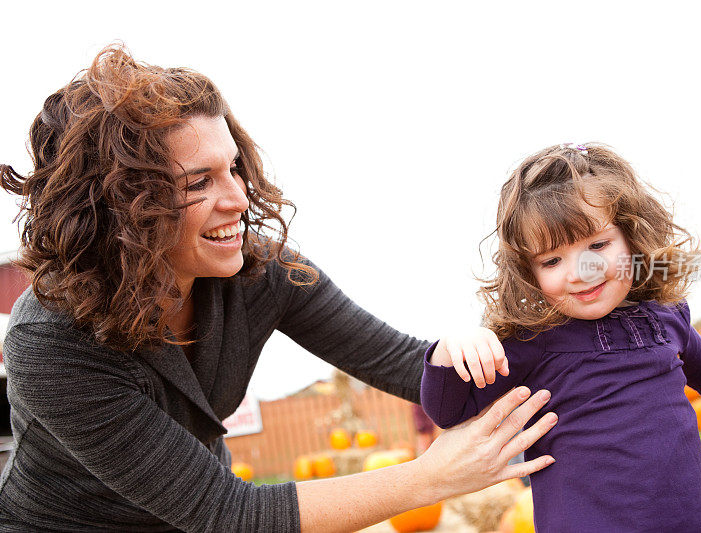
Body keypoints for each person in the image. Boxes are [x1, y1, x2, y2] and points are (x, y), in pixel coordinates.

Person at [0, 45, 558, 532]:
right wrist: (432, 478)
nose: (239, 199)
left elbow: (407, 364)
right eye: (200, 182)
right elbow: (226, 513)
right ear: (122, 207)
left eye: (234, 168)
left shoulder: (263, 272)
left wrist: (574, 368)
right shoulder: (48, 342)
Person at [420, 143, 701, 532]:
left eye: (598, 245)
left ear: (633, 237)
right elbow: (449, 410)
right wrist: (450, 350)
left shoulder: (664, 317)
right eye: (552, 261)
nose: (581, 272)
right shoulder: (531, 343)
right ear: (527, 273)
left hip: (690, 521)